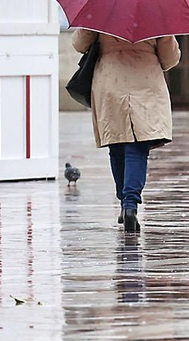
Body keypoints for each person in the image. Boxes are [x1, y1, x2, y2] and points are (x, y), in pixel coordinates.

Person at [71, 29, 180, 234]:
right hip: (145, 82)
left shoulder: (102, 10)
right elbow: (169, 59)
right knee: (137, 147)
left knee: (117, 144)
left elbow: (80, 44)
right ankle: (131, 205)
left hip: (111, 82)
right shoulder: (157, 14)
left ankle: (123, 202)